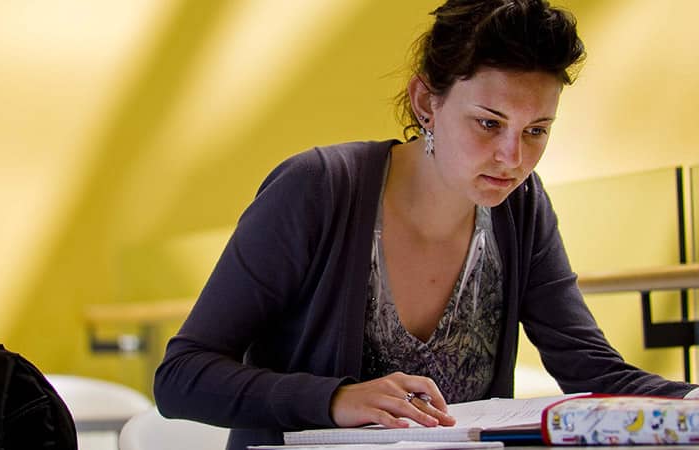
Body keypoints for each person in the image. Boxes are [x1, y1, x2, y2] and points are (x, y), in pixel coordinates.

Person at [154, 1, 698, 449]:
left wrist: (691, 401)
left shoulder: (522, 208)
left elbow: (594, 373)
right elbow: (181, 376)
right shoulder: (317, 188)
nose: (512, 158)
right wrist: (335, 399)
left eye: (536, 130)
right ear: (425, 103)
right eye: (489, 123)